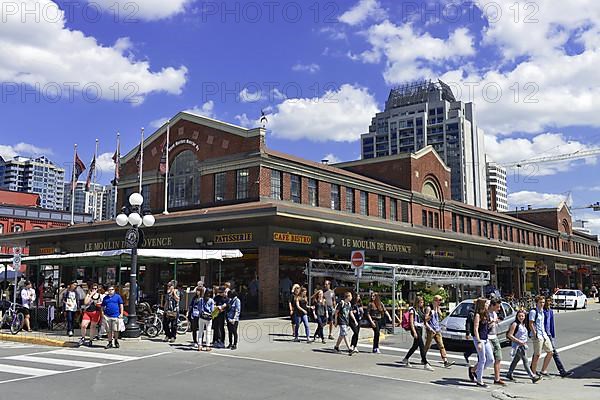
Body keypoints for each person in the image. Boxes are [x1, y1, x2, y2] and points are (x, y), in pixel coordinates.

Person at [506, 309, 541, 383]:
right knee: (525, 360)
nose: (521, 317)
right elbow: (510, 335)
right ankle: (532, 376)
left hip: (523, 344)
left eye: (522, 316)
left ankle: (509, 373)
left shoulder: (523, 324)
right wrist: (519, 342)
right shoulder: (515, 324)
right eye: (519, 316)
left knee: (516, 360)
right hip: (518, 345)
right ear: (517, 316)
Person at [400, 296, 434, 371]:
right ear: (417, 302)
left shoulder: (421, 310)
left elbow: (424, 321)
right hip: (415, 329)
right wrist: (414, 332)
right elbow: (412, 322)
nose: (422, 303)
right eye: (421, 302)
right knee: (421, 345)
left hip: (420, 328)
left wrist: (430, 316)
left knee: (415, 346)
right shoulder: (412, 310)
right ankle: (425, 363)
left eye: (423, 302)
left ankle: (405, 359)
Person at [544, 298, 573, 377]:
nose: (549, 303)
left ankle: (562, 371)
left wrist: (552, 334)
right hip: (543, 334)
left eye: (550, 302)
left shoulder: (550, 311)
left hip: (549, 334)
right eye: (547, 302)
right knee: (538, 353)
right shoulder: (542, 311)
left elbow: (551, 324)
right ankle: (562, 371)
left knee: (553, 352)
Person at [424, 295, 455, 368]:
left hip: (437, 329)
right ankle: (423, 358)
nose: (440, 302)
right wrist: (430, 315)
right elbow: (425, 319)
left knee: (441, 345)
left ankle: (445, 361)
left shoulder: (437, 308)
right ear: (435, 301)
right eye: (439, 301)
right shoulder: (429, 308)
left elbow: (441, 316)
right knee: (427, 345)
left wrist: (439, 310)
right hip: (430, 330)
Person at [471, 298, 494, 387]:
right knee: (482, 359)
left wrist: (492, 323)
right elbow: (475, 329)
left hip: (485, 338)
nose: (488, 305)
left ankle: (475, 371)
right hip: (479, 339)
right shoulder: (477, 315)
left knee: (491, 359)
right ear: (482, 305)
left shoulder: (486, 314)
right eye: (487, 303)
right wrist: (479, 341)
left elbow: (486, 326)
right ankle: (479, 381)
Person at [529, 295, 553, 377]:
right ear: (537, 302)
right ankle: (533, 373)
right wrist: (535, 334)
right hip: (537, 335)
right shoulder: (533, 311)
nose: (542, 304)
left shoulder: (542, 311)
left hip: (544, 334)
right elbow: (531, 323)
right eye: (540, 302)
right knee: (537, 355)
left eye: (543, 302)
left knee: (550, 352)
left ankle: (543, 370)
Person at [487, 299, 505, 385]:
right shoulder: (486, 313)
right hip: (487, 338)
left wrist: (496, 321)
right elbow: (484, 327)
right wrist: (492, 322)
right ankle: (473, 370)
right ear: (492, 306)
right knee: (488, 359)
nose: (499, 308)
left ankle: (497, 379)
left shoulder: (494, 313)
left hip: (494, 336)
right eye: (497, 307)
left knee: (498, 357)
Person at [333, 291, 356, 356]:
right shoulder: (341, 303)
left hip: (346, 321)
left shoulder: (349, 304)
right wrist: (336, 321)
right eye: (350, 296)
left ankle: (336, 347)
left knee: (342, 335)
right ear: (347, 297)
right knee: (345, 334)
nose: (351, 297)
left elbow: (350, 313)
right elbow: (336, 312)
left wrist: (355, 320)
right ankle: (349, 349)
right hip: (341, 321)